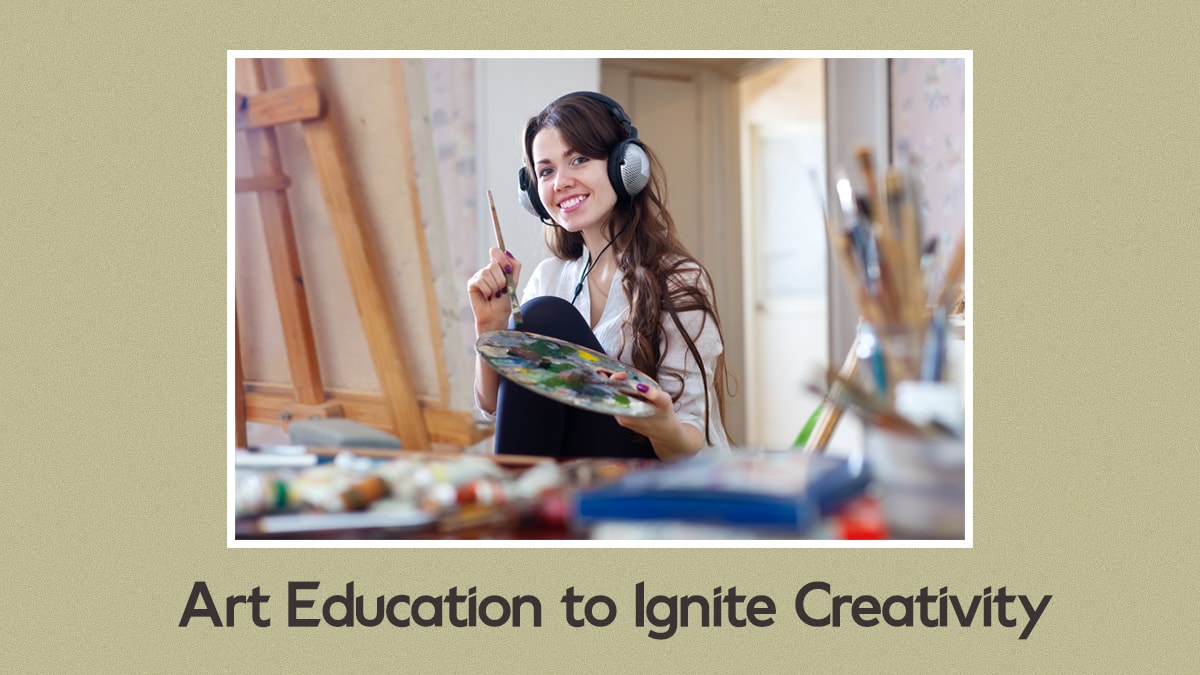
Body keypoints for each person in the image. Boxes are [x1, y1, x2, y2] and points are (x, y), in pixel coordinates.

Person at [467, 92, 731, 460]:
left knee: (544, 315)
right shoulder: (550, 276)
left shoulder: (679, 278)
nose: (560, 182)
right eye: (546, 171)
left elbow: (688, 443)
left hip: (657, 473)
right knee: (541, 314)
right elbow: (501, 411)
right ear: (533, 192)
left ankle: (517, 509)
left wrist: (660, 422)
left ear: (626, 166)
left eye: (579, 159)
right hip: (576, 473)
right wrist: (492, 329)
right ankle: (525, 507)